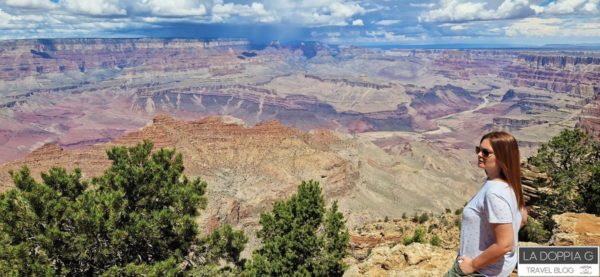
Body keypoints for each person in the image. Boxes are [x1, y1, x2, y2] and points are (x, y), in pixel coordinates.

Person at [444, 131, 528, 277]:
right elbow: (522, 218)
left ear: (502, 157)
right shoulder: (510, 184)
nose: (479, 154)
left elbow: (505, 244)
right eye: (478, 150)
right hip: (492, 268)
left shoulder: (494, 193)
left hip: (479, 271)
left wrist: (472, 265)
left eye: (486, 152)